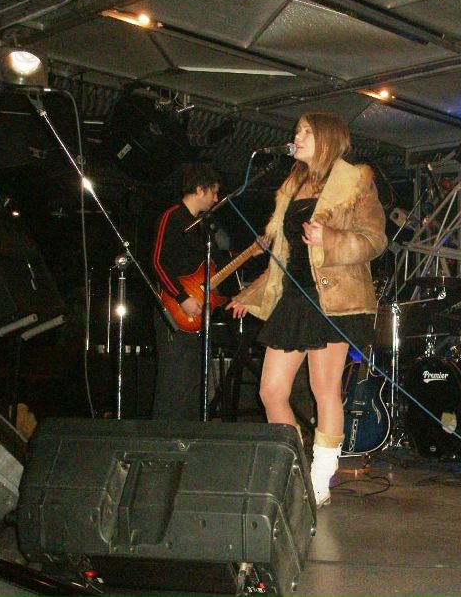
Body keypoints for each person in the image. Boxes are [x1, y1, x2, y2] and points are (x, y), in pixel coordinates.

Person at [226, 112, 387, 506]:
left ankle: (320, 479)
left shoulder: (356, 179)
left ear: (327, 138)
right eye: (297, 130)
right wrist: (251, 295)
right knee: (271, 390)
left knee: (323, 388)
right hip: (294, 298)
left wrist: (329, 237)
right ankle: (295, 467)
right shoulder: (292, 185)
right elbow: (283, 256)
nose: (296, 136)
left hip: (333, 298)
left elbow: (375, 240)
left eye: (306, 132)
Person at [152, 164, 221, 420]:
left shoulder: (202, 226)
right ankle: (163, 436)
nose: (216, 199)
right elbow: (157, 262)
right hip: (173, 310)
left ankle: (190, 434)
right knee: (173, 381)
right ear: (200, 190)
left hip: (197, 313)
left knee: (193, 381)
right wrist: (181, 298)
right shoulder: (172, 216)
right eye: (214, 192)